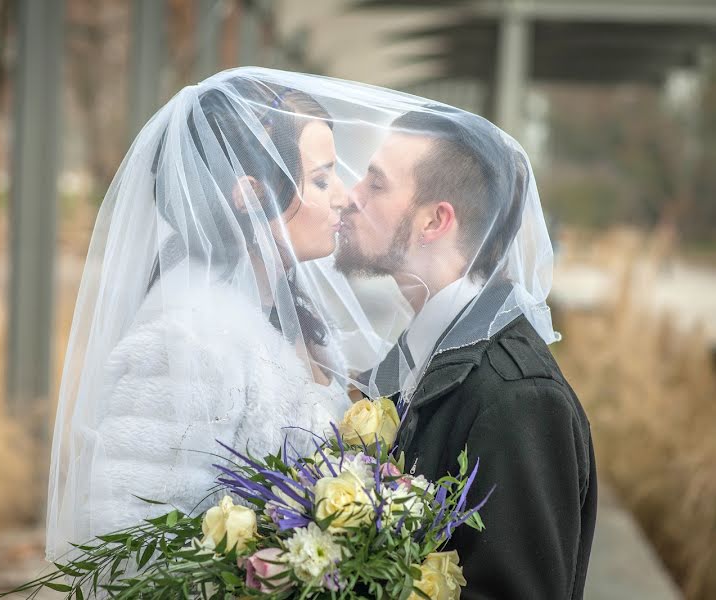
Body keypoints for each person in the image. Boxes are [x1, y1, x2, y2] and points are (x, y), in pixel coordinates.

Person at [45, 72, 354, 560]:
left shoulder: (286, 309)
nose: (345, 196)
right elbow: (130, 536)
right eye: (321, 179)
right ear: (250, 196)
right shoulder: (189, 338)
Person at [336, 107, 597, 599]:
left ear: (434, 220)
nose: (350, 196)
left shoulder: (518, 399)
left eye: (376, 183)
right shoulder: (417, 353)